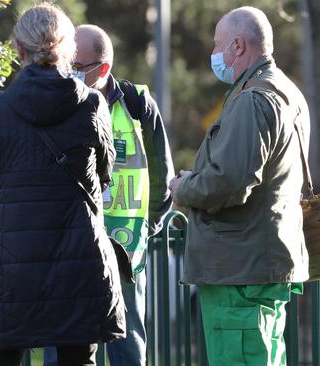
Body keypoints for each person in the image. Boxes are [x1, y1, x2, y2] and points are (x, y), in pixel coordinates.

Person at [0, 3, 126, 365]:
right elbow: (104, 173)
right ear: (67, 48)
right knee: (78, 357)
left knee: (4, 357)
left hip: (15, 258)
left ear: (18, 49)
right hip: (78, 253)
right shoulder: (92, 104)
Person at [169, 6, 310, 366]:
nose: (213, 54)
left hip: (239, 270)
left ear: (237, 45)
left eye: (218, 45)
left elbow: (229, 183)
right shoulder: (287, 91)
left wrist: (184, 187)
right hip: (260, 260)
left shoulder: (252, 99)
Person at [44, 24, 175, 366]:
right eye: (66, 62)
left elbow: (162, 171)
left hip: (125, 244)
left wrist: (150, 225)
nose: (68, 71)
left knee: (127, 342)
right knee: (64, 340)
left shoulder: (137, 105)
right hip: (69, 243)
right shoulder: (57, 100)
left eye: (77, 65)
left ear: (102, 69)